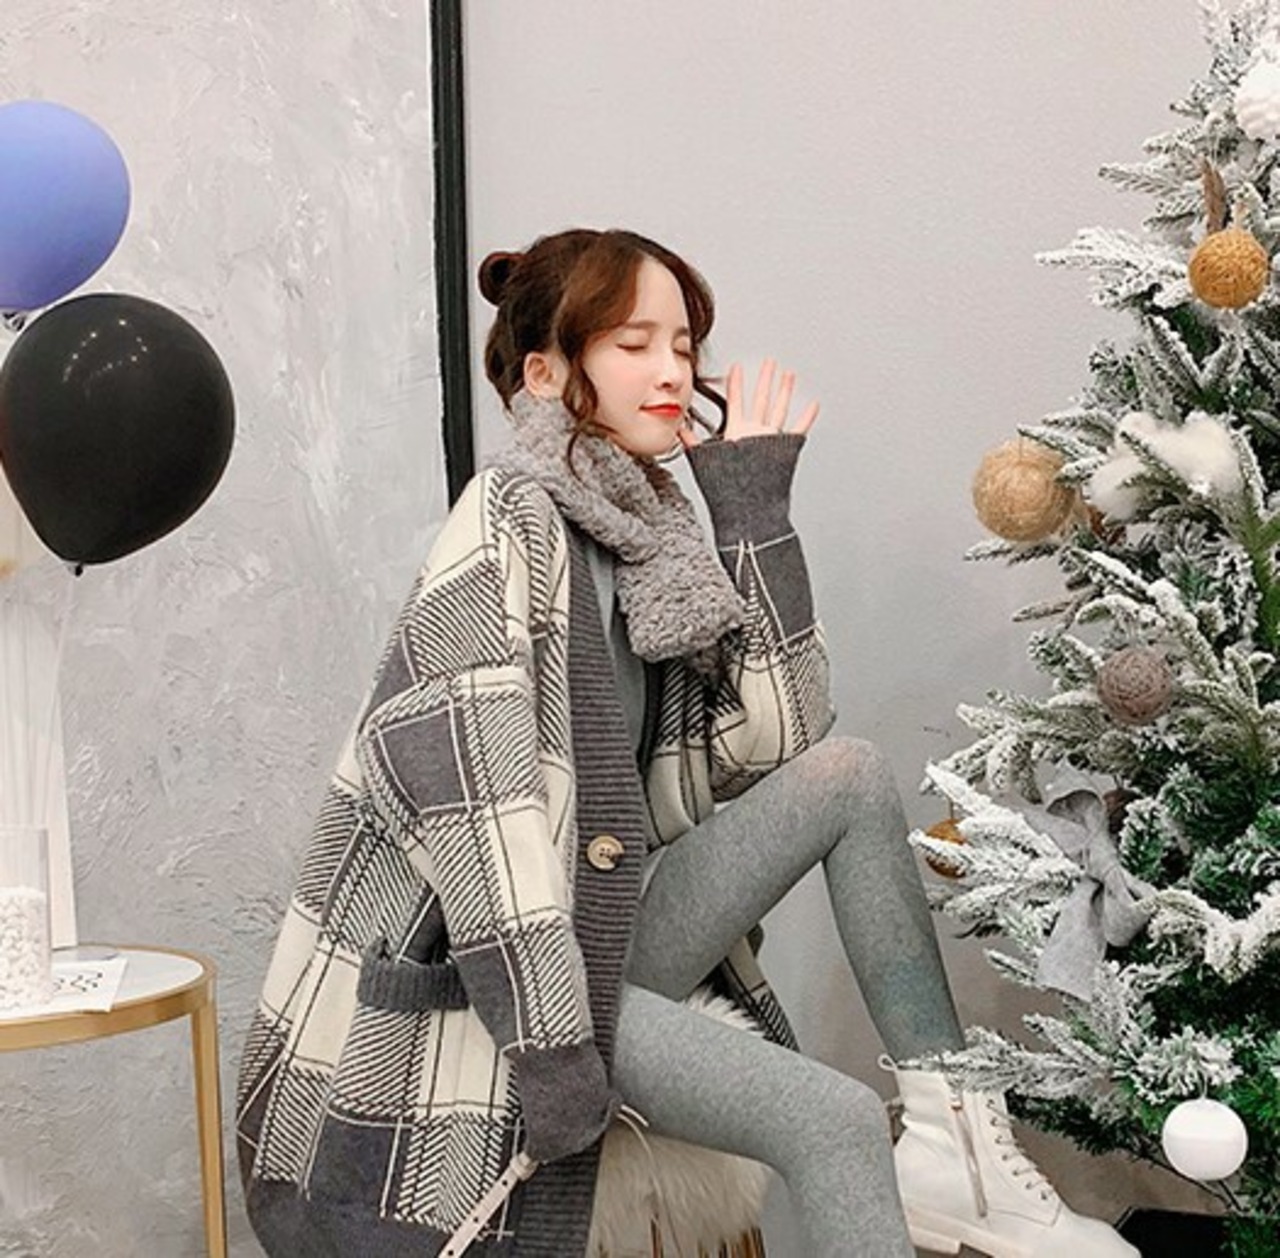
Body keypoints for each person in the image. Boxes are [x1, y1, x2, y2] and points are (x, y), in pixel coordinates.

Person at [236, 228, 1138, 1258]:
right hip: (496, 983)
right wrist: (551, 1057)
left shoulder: (651, 534)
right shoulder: (505, 518)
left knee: (849, 775)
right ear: (546, 373)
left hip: (611, 930)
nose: (672, 371)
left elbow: (779, 741)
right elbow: (475, 810)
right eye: (634, 345)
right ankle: (930, 1160)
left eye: (682, 345)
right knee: (836, 1121)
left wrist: (750, 508)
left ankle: (954, 1141)